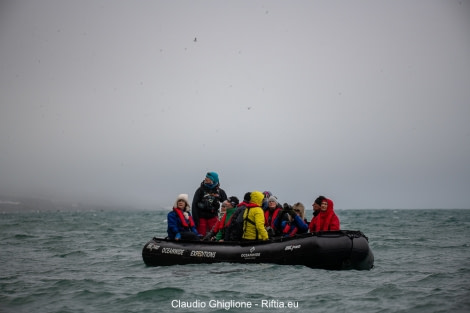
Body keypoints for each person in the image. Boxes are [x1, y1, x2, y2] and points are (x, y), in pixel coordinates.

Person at [192, 172, 228, 236]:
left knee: (214, 234)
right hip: (201, 217)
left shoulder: (220, 191)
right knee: (201, 235)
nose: (206, 178)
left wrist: (224, 217)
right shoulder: (200, 190)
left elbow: (227, 204)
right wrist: (195, 220)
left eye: (208, 178)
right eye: (206, 177)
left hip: (213, 216)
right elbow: (194, 205)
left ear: (213, 179)